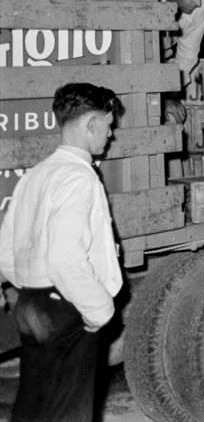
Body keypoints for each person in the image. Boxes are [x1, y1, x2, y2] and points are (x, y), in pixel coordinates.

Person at [0, 83, 125, 422]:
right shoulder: (79, 178)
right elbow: (65, 258)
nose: (110, 135)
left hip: (31, 302)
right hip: (66, 307)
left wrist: (30, 288)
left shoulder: (36, 175)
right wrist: (100, 311)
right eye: (108, 125)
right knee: (70, 411)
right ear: (90, 125)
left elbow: (6, 249)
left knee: (34, 405)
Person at [162, 0, 204, 123]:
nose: (198, 3)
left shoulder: (200, 8)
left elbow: (187, 55)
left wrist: (170, 96)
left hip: (165, 63)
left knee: (173, 117)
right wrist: (161, 99)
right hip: (142, 66)